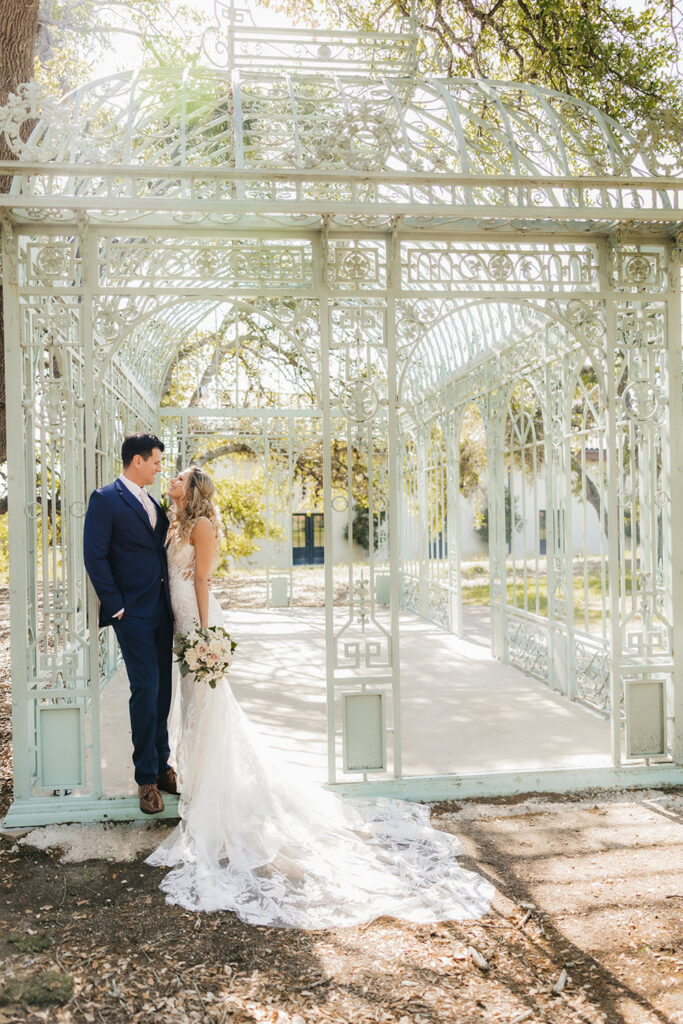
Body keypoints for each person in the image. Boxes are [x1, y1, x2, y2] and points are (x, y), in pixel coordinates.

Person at [146, 465, 495, 929]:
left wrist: (206, 636)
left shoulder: (203, 525)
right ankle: (200, 784)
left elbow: (202, 582)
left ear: (194, 490)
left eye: (179, 477)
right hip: (177, 621)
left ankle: (212, 795)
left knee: (206, 705)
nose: (170, 480)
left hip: (196, 622)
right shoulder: (174, 522)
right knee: (192, 707)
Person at [83, 433, 178, 815]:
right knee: (145, 690)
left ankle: (163, 761)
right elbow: (95, 556)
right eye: (155, 461)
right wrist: (117, 606)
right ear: (137, 460)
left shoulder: (153, 501)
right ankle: (146, 780)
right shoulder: (105, 499)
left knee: (163, 692)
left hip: (162, 611)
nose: (159, 468)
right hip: (132, 613)